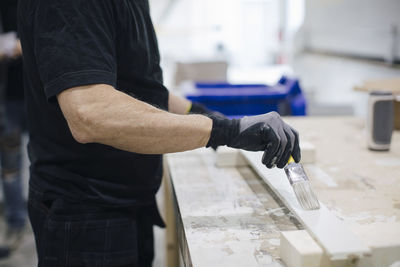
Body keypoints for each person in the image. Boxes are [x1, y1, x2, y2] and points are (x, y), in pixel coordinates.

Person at [17, 0, 301, 266]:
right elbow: (91, 113)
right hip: (84, 213)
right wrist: (225, 130)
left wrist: (205, 115)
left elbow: (139, 88)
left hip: (124, 199)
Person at [0, 0, 27, 258]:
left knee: (47, 157)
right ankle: (16, 221)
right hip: (9, 100)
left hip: (39, 96)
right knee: (10, 166)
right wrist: (14, 47)